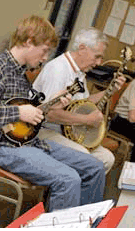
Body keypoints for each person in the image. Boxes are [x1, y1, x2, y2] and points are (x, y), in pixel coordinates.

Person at [0, 15, 105, 212]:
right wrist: (19, 112)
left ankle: (86, 222)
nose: (46, 58)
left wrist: (51, 103)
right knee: (68, 179)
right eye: (45, 51)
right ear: (29, 42)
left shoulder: (22, 75)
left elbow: (28, 117)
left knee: (95, 167)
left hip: (28, 141)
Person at [33, 28, 126, 174]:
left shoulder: (79, 72)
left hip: (66, 131)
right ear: (82, 48)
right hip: (44, 131)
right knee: (84, 157)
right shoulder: (58, 69)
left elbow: (83, 103)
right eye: (97, 56)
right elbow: (50, 114)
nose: (99, 62)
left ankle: (82, 195)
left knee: (107, 158)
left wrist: (109, 91)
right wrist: (86, 120)